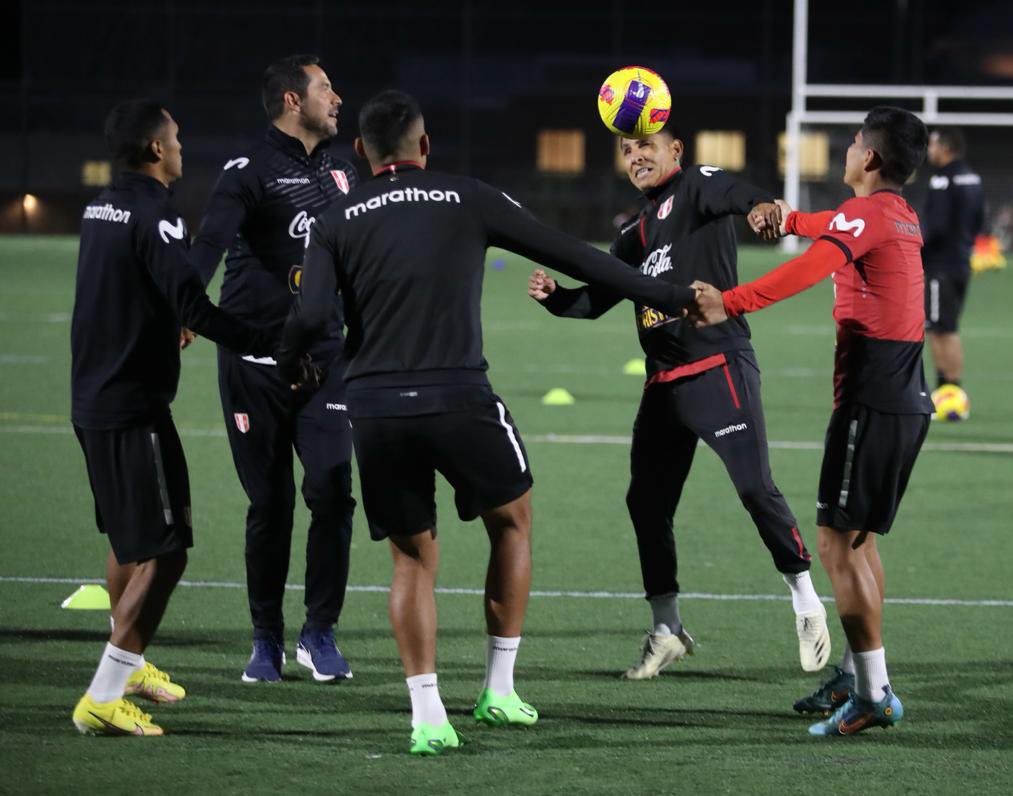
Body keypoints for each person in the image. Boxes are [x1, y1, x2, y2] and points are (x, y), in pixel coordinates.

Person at [277, 90, 696, 755]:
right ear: (425, 146)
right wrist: (674, 296)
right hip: (460, 399)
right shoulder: (465, 195)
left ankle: (426, 717)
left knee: (412, 557)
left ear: (360, 153)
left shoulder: (337, 218)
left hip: (377, 408)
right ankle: (498, 690)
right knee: (513, 520)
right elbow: (578, 258)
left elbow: (309, 319)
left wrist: (291, 360)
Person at [527, 122, 829, 680]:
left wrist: (764, 206)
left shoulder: (697, 186)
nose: (636, 156)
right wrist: (555, 299)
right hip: (662, 384)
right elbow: (596, 300)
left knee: (754, 488)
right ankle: (667, 629)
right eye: (626, 150)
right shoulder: (634, 231)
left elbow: (738, 194)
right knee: (646, 505)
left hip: (717, 366)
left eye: (646, 146)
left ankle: (806, 599)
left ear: (675, 151)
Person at [688, 106, 931, 736]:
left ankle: (873, 694)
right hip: (902, 397)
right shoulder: (899, 216)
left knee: (832, 543)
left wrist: (731, 302)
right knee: (858, 543)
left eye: (853, 143)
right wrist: (788, 218)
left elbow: (813, 264)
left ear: (870, 158)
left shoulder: (873, 214)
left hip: (872, 398)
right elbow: (828, 229)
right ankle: (863, 678)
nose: (847, 150)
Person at [70, 99, 275, 736]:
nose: (183, 148)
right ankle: (105, 690)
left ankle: (126, 664)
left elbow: (142, 292)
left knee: (128, 541)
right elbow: (194, 303)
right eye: (177, 138)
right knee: (168, 550)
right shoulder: (155, 212)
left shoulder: (100, 205)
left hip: (93, 398)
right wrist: (267, 347)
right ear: (156, 150)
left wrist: (168, 322)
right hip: (134, 407)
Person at [190, 55, 360, 683]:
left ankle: (320, 633)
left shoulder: (345, 169)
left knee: (334, 493)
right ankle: (266, 639)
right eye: (325, 88)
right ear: (293, 101)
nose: (337, 98)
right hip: (252, 364)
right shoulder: (248, 170)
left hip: (325, 362)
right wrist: (185, 303)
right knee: (270, 503)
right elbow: (208, 245)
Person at [922, 128, 984, 407]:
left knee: (939, 329)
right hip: (961, 261)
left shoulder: (942, 180)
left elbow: (935, 227)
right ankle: (954, 392)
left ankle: (947, 393)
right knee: (949, 327)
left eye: (933, 145)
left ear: (945, 147)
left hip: (940, 265)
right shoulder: (972, 177)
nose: (929, 150)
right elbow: (979, 220)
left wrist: (914, 249)